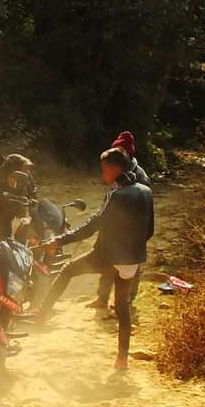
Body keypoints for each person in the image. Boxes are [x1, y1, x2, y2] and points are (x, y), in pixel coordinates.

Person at [36, 146, 154, 372]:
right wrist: (132, 250)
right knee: (123, 308)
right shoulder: (146, 191)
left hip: (107, 256)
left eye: (104, 169)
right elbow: (149, 230)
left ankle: (41, 318)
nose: (102, 174)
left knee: (68, 271)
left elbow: (92, 227)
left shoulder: (116, 195)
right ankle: (122, 360)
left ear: (114, 169)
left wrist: (59, 241)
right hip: (133, 260)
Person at [86, 131, 151, 313]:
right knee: (107, 260)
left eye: (121, 149)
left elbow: (144, 207)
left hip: (130, 231)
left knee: (131, 265)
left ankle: (126, 301)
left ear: (129, 153)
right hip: (112, 224)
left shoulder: (140, 176)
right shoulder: (115, 169)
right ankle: (102, 297)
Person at [0, 153, 37, 238]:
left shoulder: (25, 178)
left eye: (27, 169)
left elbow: (32, 193)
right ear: (14, 167)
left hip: (12, 217)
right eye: (24, 168)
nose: (27, 171)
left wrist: (32, 203)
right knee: (0, 239)